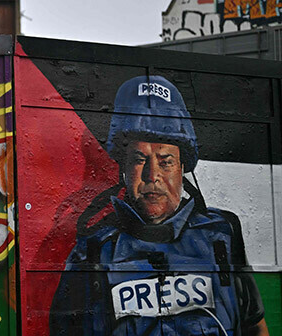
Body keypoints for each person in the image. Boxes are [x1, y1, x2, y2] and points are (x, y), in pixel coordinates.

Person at [49, 75, 268, 336]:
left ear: (182, 167)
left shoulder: (222, 235)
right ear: (124, 168)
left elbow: (255, 327)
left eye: (166, 162)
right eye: (140, 159)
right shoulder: (93, 252)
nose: (152, 176)